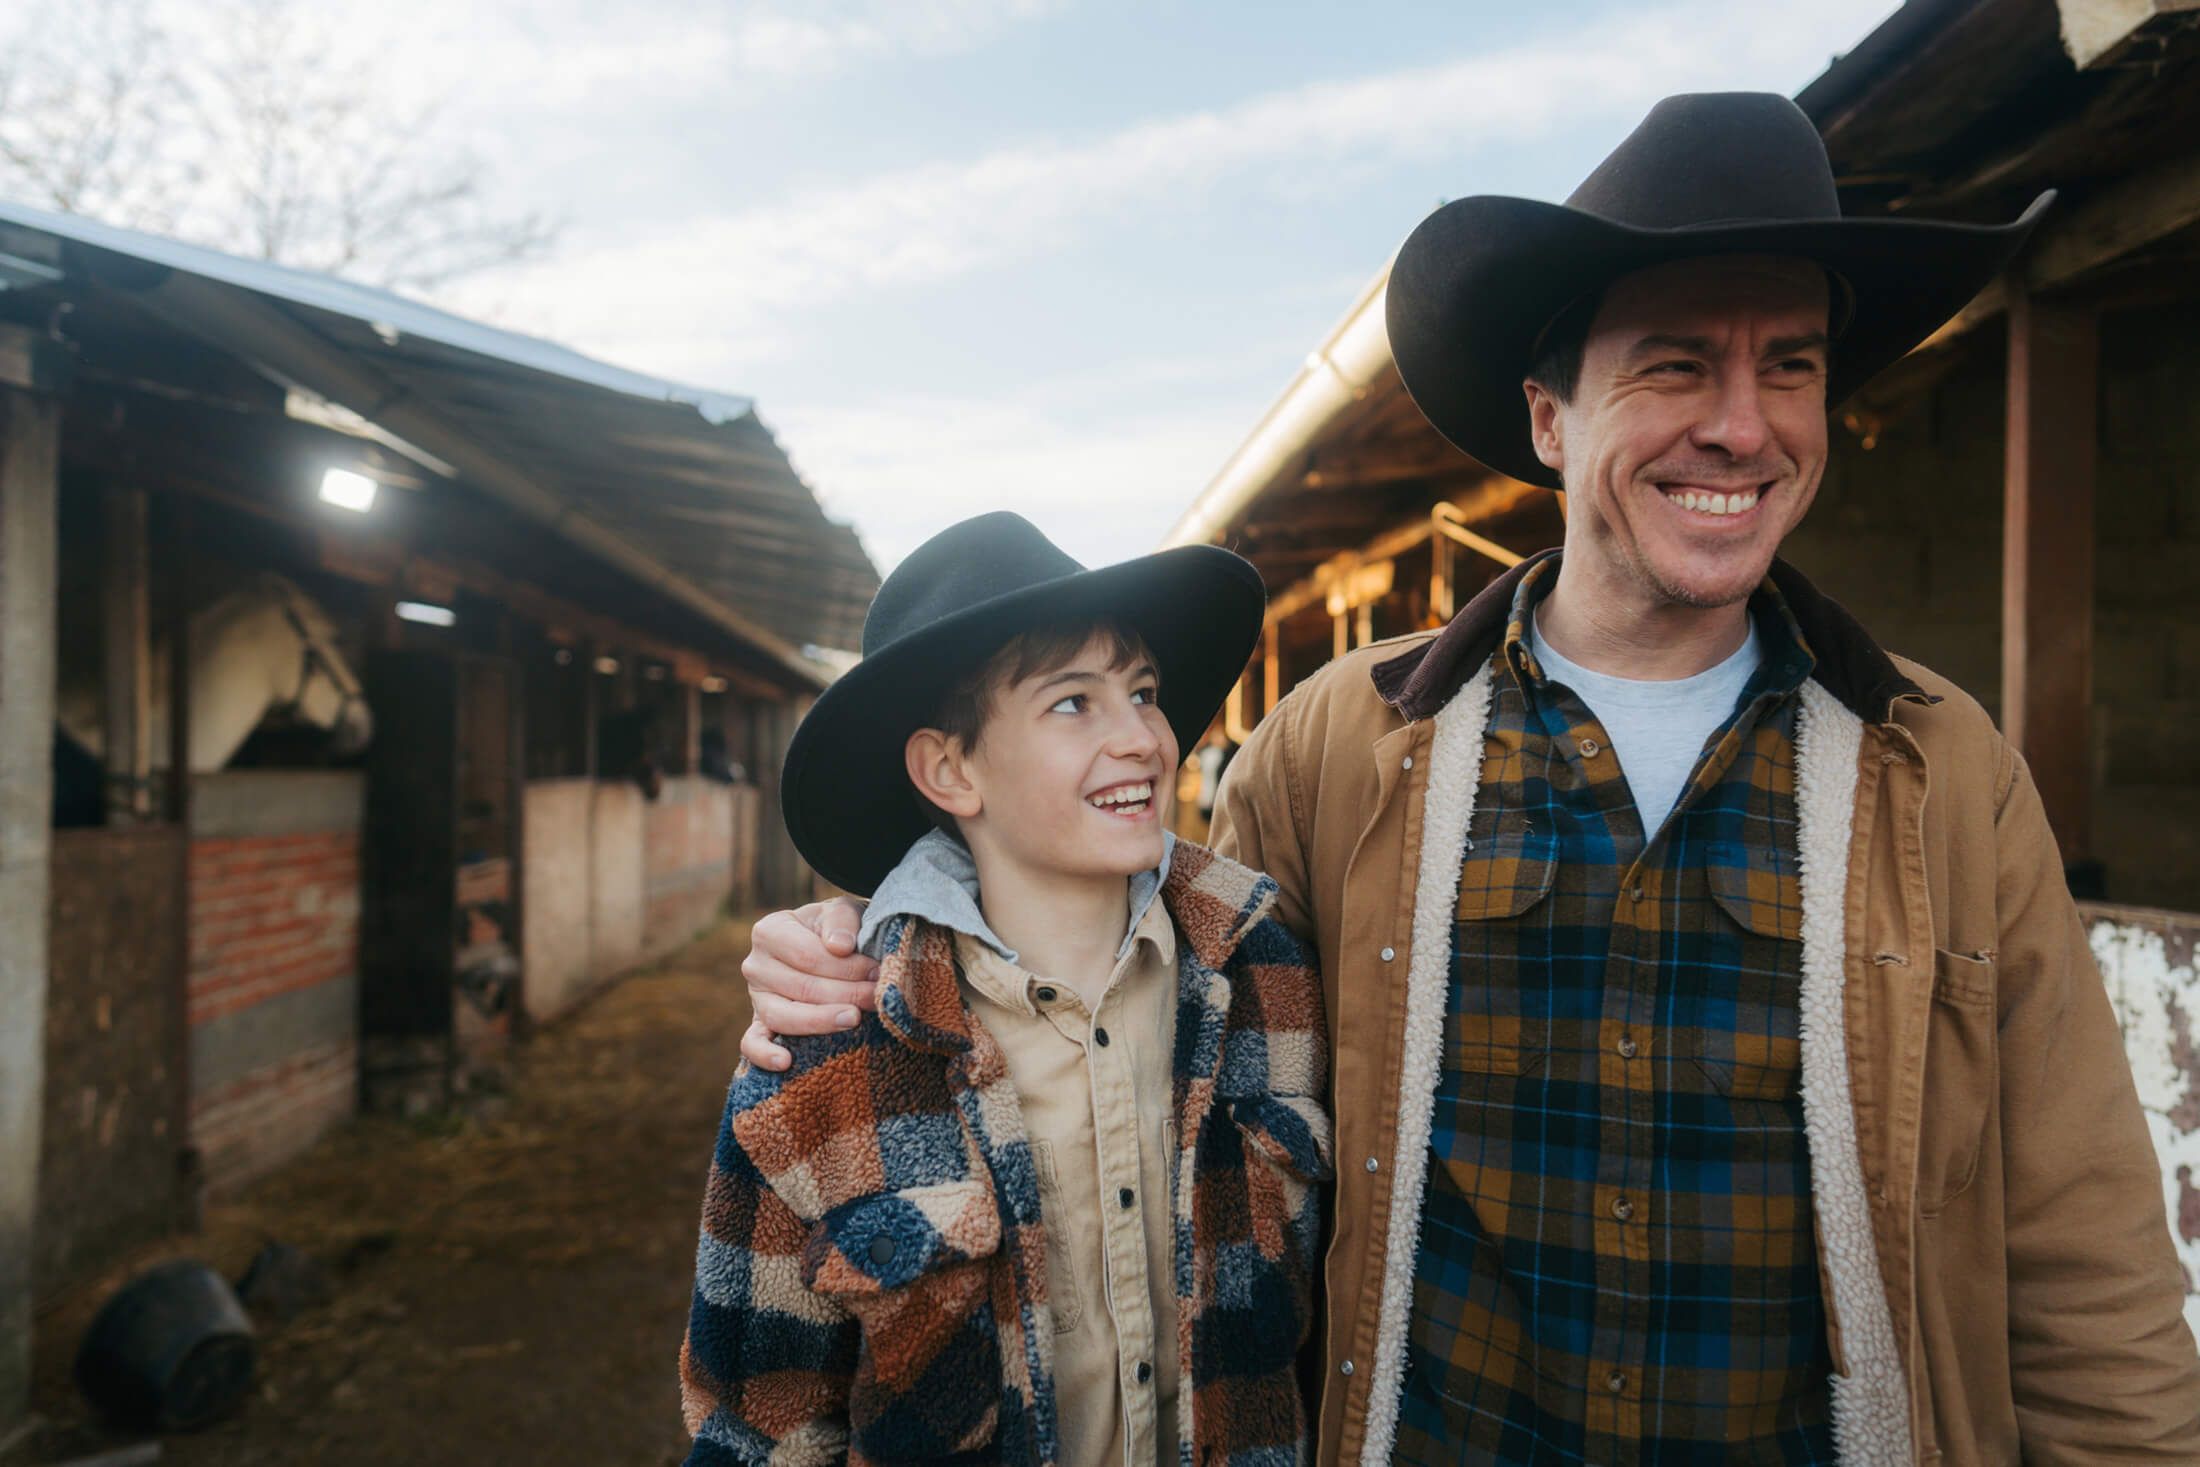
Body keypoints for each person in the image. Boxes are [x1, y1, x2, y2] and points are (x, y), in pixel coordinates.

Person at [737, 93, 2200, 1463]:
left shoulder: (1945, 772)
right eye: (1678, 363)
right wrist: (883, 932)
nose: (1744, 424)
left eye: (1791, 367)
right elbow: (1135, 980)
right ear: (1552, 419)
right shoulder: (1337, 748)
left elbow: (2087, 1260)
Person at [679, 513, 1331, 1466]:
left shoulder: (1269, 971)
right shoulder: (822, 1051)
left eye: (1142, 690)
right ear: (950, 769)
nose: (1144, 738)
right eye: (1074, 702)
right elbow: (757, 1428)